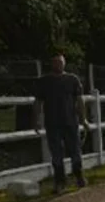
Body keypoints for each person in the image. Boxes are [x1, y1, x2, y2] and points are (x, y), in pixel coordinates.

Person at [34, 54, 89, 193]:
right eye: (56, 62)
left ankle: (79, 176)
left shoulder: (72, 79)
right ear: (52, 64)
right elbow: (38, 102)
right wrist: (37, 120)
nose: (58, 65)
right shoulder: (44, 81)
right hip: (52, 122)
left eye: (61, 62)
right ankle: (60, 181)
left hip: (71, 121)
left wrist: (83, 118)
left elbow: (80, 100)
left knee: (75, 150)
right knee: (56, 153)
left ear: (64, 64)